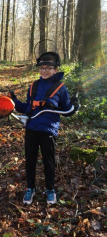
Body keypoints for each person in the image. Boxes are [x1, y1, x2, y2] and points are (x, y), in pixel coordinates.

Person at [10, 52, 79, 205]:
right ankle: (30, 188)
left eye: (48, 68)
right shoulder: (34, 85)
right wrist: (14, 101)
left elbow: (67, 110)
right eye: (42, 68)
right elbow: (28, 107)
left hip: (48, 130)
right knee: (30, 159)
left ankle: (50, 190)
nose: (45, 71)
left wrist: (74, 106)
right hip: (32, 127)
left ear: (55, 69)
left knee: (48, 161)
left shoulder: (60, 88)